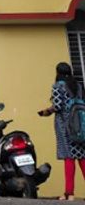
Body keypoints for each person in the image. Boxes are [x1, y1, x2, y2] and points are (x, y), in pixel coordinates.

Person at [38, 62, 85, 201]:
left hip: (65, 126)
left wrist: (46, 112)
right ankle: (68, 193)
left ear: (57, 72)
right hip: (80, 125)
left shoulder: (58, 86)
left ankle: (69, 193)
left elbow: (58, 106)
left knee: (68, 157)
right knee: (82, 157)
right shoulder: (78, 86)